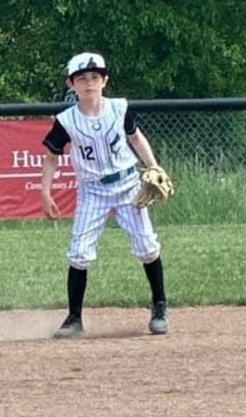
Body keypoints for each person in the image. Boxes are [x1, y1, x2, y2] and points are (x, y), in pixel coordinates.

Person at [41, 52, 170, 339]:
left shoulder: (119, 109)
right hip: (93, 190)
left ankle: (160, 306)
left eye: (95, 77)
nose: (89, 83)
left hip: (127, 186)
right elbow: (51, 156)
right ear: (71, 84)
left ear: (105, 81)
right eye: (82, 78)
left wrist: (153, 166)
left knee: (147, 246)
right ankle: (74, 318)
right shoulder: (66, 120)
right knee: (79, 252)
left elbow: (135, 137)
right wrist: (45, 190)